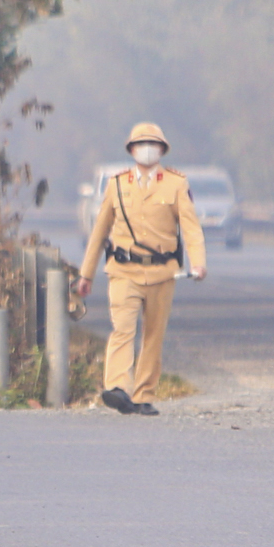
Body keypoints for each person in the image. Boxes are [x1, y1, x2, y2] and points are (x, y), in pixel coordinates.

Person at [73, 123, 206, 415]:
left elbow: (191, 227)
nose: (147, 148)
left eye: (153, 143)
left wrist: (198, 262)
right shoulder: (116, 184)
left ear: (162, 150)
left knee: (153, 334)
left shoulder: (176, 184)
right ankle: (118, 387)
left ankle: (144, 394)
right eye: (141, 143)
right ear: (131, 150)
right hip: (123, 270)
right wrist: (86, 274)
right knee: (122, 328)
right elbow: (99, 231)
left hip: (162, 272)